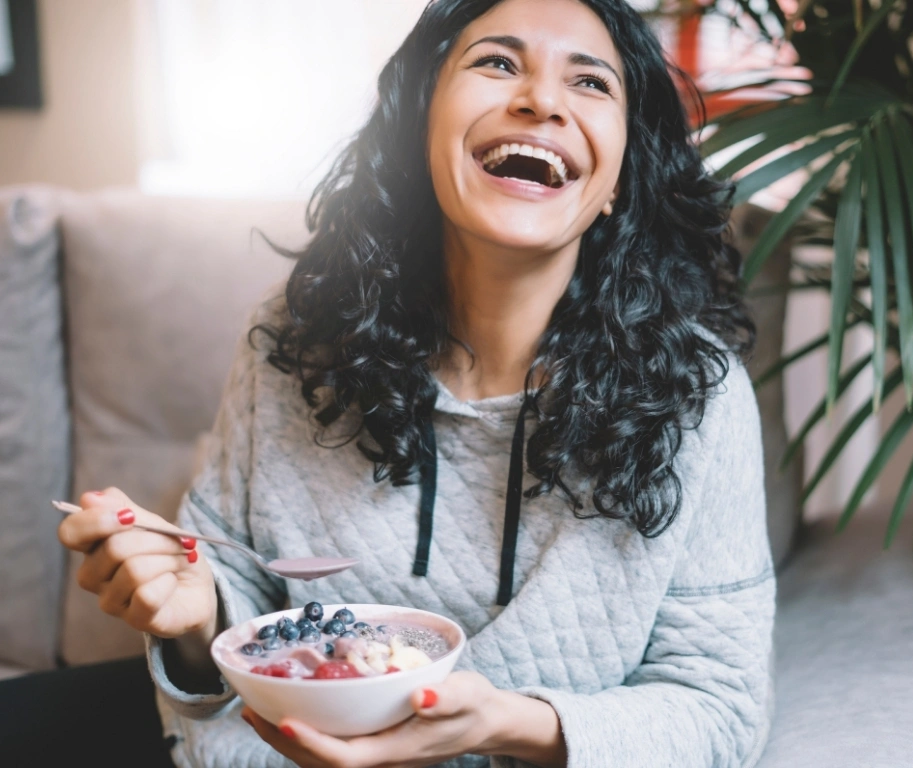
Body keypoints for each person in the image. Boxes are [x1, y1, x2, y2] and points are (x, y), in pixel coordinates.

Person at [57, 0, 776, 765]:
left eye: (591, 83)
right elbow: (231, 589)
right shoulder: (295, 344)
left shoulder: (700, 399)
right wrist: (195, 617)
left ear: (617, 181)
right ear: (418, 130)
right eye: (497, 62)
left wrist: (506, 723)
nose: (542, 99)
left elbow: (721, 707)